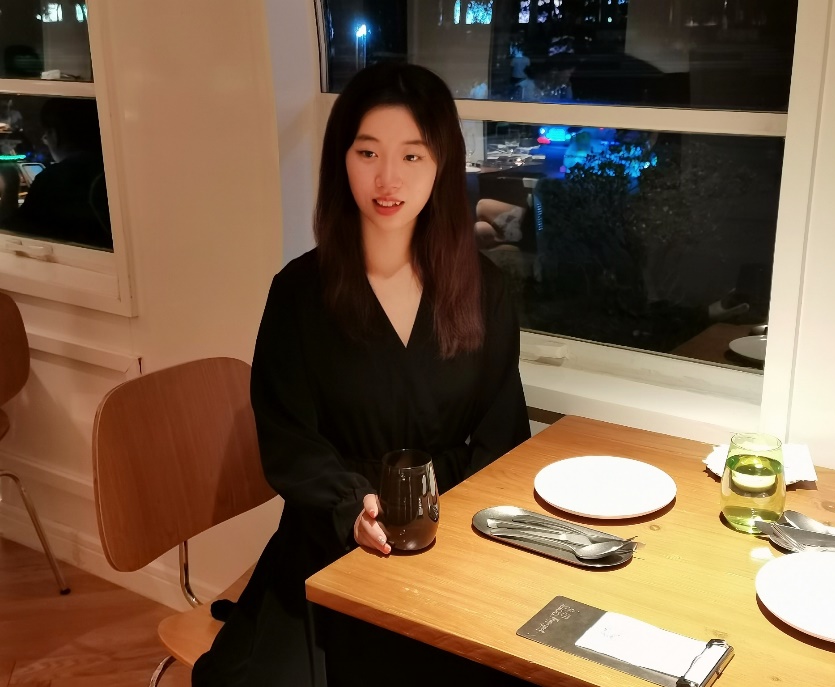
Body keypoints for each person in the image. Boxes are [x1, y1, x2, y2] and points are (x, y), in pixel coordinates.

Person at [192, 62, 531, 686]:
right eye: (368, 152)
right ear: (340, 160)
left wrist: (449, 512)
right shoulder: (299, 293)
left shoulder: (484, 289)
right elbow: (288, 436)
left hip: (451, 537)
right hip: (332, 540)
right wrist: (351, 507)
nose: (387, 178)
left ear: (442, 165)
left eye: (412, 156)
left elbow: (502, 431)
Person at [0, 97, 111, 249]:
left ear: (54, 134)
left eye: (46, 133)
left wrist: (10, 185)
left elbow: (11, 237)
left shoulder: (56, 179)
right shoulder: (112, 167)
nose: (44, 139)